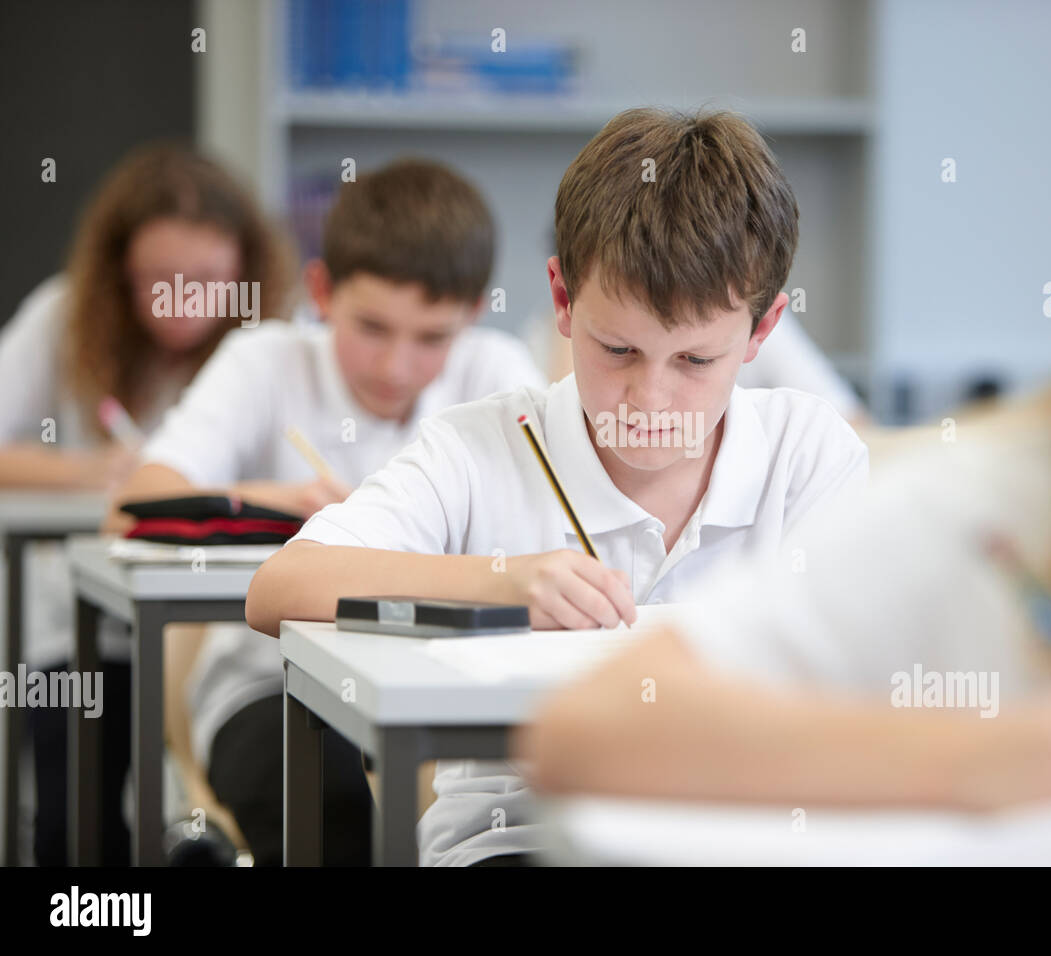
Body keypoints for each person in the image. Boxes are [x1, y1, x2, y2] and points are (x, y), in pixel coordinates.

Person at [521, 78, 1051, 822]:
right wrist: (977, 758)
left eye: (693, 358)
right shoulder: (993, 506)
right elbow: (591, 729)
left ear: (761, 327)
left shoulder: (808, 437)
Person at [247, 108, 871, 864]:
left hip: (738, 835)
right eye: (618, 349)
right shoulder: (485, 445)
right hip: (521, 838)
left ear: (764, 331)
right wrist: (502, 581)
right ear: (564, 299)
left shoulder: (808, 455)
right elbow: (280, 588)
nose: (650, 399)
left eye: (695, 362)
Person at [108, 158, 545, 864]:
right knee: (335, 812)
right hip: (271, 686)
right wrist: (275, 504)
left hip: (449, 692)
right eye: (371, 327)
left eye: (432, 337)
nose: (397, 365)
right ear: (321, 290)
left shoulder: (495, 374)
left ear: (473, 313)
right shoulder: (265, 362)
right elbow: (133, 505)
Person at [0, 143, 294, 866]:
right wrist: (94, 472)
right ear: (116, 275)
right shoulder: (62, 318)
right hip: (82, 634)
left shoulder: (272, 343)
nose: (182, 304)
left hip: (225, 639)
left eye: (206, 281)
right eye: (156, 281)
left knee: (217, 823)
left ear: (245, 270)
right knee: (77, 828)